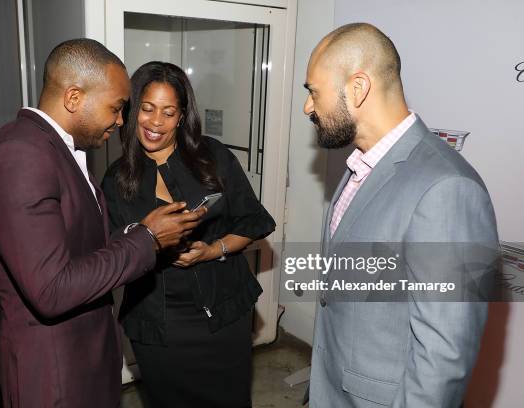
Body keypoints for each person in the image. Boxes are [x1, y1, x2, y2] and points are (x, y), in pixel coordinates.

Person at [0, 39, 204, 408]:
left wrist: (133, 232)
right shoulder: (19, 157)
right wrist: (147, 239)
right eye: (115, 107)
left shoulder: (57, 148)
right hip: (54, 375)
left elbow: (78, 246)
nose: (121, 120)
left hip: (85, 359)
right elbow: (51, 290)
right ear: (74, 98)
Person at [303, 23, 499, 406]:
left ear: (357, 88)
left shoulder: (448, 190)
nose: (308, 106)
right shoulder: (358, 166)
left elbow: (444, 359)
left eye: (314, 92)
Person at [102, 61, 276, 407]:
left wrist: (212, 250)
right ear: (132, 109)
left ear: (182, 116)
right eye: (147, 109)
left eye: (169, 113)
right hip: (159, 325)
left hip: (224, 314)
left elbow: (252, 222)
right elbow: (112, 255)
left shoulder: (213, 156)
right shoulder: (115, 180)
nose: (156, 122)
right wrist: (147, 241)